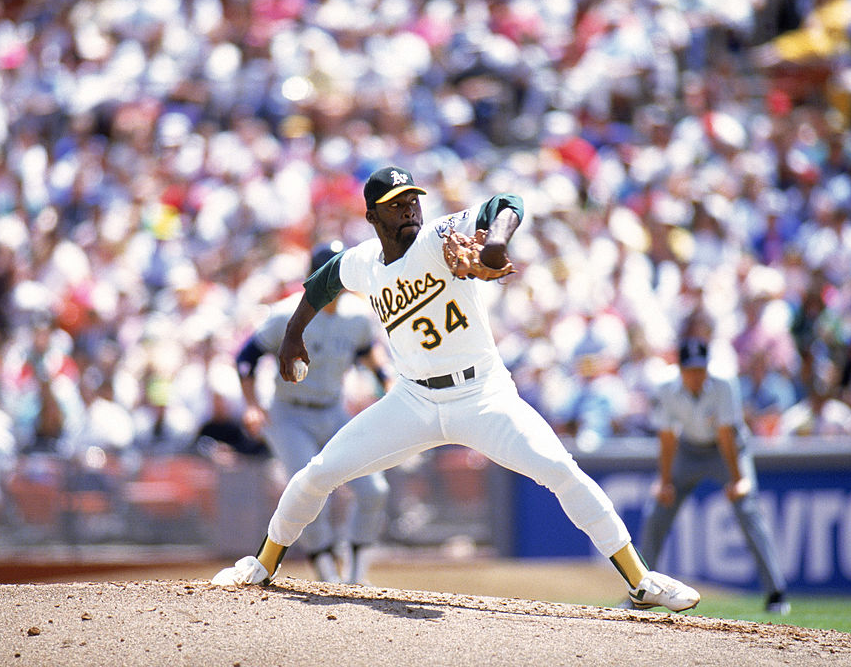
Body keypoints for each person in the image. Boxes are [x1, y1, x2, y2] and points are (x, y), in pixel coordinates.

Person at [212, 165, 700, 612]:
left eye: (413, 202)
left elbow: (505, 202)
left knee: (561, 471)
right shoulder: (362, 262)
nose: (410, 212)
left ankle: (641, 581)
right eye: (397, 206)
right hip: (413, 400)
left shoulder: (440, 235)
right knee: (318, 474)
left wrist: (497, 243)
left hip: (483, 396)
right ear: (371, 215)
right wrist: (294, 334)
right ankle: (262, 564)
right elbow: (321, 283)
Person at [234, 241, 391, 584]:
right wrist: (251, 405)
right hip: (290, 415)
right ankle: (325, 575)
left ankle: (356, 577)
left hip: (333, 410)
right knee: (308, 488)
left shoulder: (356, 316)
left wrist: (386, 378)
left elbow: (368, 352)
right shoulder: (285, 313)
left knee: (374, 490)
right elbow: (245, 357)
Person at [637, 338, 789, 614]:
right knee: (656, 512)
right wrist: (665, 481)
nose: (696, 376)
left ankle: (776, 593)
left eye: (700, 369)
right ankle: (640, 590)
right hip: (688, 450)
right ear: (680, 369)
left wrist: (737, 479)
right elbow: (668, 437)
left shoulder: (724, 382)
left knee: (748, 509)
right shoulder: (665, 387)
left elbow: (726, 434)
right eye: (690, 370)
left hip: (726, 451)